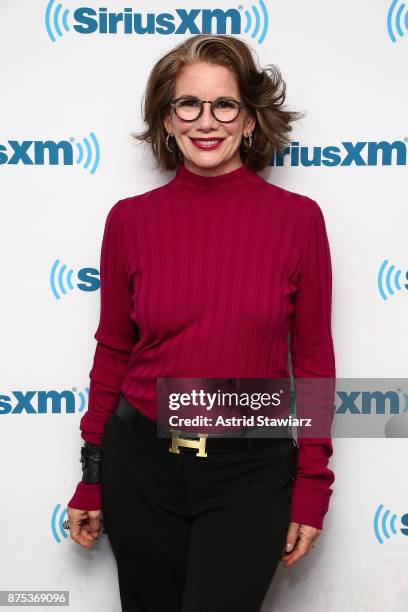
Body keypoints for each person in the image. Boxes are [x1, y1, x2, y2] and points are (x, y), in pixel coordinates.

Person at [67, 33, 336, 612]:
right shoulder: (130, 221)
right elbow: (113, 350)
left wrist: (313, 485)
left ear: (249, 119)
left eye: (224, 105)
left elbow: (312, 360)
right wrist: (92, 472)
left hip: (251, 473)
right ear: (166, 119)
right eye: (187, 104)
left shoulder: (298, 221)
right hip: (141, 468)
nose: (205, 121)